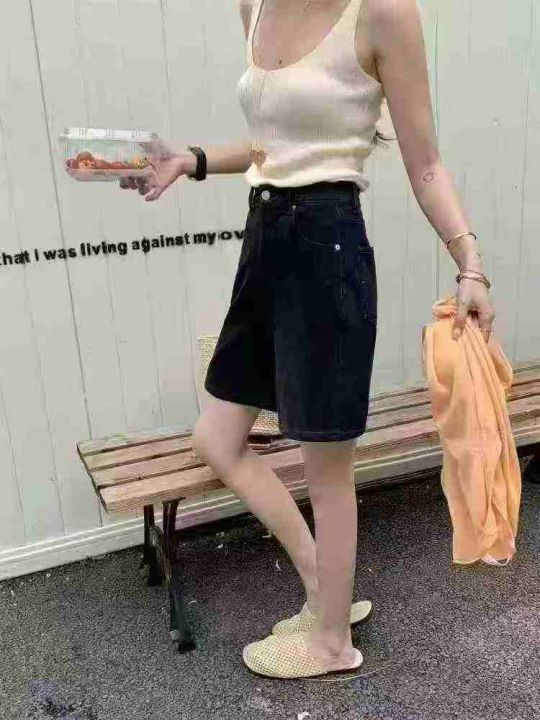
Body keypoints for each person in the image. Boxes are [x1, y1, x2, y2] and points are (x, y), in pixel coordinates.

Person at [120, 0, 496, 679]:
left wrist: (470, 264)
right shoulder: (255, 4)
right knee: (217, 438)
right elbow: (273, 144)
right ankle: (325, 589)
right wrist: (190, 160)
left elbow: (427, 166)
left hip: (327, 247)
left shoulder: (382, 13)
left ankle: (331, 643)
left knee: (327, 467)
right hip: (265, 240)